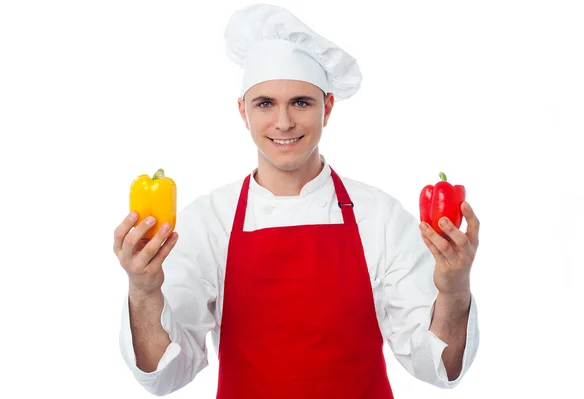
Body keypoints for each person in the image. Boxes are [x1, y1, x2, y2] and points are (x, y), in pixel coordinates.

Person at [114, 4, 480, 398]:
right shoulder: (208, 221)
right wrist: (143, 290)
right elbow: (165, 374)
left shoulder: (381, 217)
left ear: (328, 107)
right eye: (265, 103)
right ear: (243, 111)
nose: (284, 122)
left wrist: (454, 289)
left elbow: (438, 367)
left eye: (301, 103)